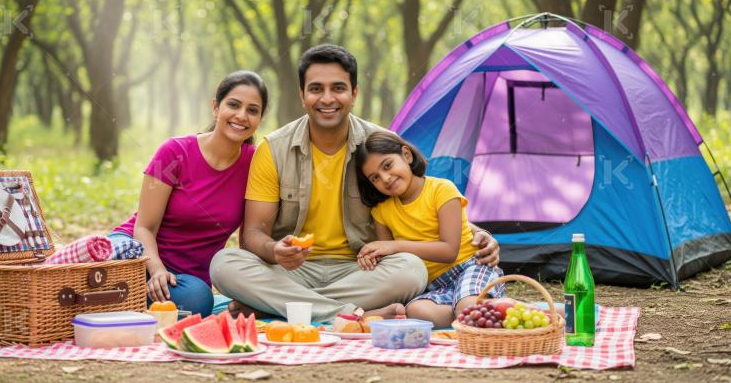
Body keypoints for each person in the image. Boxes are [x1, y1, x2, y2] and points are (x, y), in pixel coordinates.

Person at [210, 44, 500, 323]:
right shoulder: (273, 149)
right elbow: (253, 234)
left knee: (411, 269)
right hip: (291, 270)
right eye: (315, 89)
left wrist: (478, 232)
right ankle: (348, 313)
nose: (326, 99)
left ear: (354, 93)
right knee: (224, 265)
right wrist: (275, 251)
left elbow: (423, 201)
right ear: (302, 95)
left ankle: (279, 305)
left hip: (361, 270)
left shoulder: (377, 145)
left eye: (337, 88)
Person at [109, 71, 268, 317]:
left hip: (185, 280)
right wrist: (157, 270)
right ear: (216, 107)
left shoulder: (256, 164)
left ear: (259, 119)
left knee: (197, 299)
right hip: (138, 252)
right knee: (111, 264)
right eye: (233, 105)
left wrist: (247, 293)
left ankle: (120, 303)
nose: (241, 116)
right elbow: (144, 227)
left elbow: (248, 239)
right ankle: (119, 297)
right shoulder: (174, 152)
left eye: (252, 110)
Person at [355, 131, 505, 328]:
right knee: (417, 311)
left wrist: (394, 246)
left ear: (406, 155)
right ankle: (474, 311)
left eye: (388, 165)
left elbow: (449, 251)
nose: (385, 178)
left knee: (467, 305)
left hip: (470, 266)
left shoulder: (442, 190)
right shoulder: (381, 211)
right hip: (434, 284)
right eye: (375, 178)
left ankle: (479, 307)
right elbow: (390, 257)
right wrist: (372, 256)